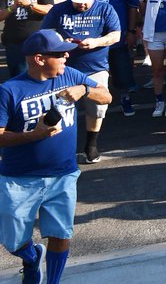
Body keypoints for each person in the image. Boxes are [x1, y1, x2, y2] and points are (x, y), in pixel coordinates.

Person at [0, 30, 112, 284]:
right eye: (59, 54)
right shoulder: (9, 90)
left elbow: (106, 96)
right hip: (19, 178)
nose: (66, 57)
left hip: (63, 174)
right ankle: (31, 259)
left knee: (61, 234)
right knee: (13, 240)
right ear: (39, 59)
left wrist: (84, 89)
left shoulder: (71, 76)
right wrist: (34, 135)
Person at [39, 0, 122, 165]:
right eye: (77, 1)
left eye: (85, 1)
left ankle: (91, 144)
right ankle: (56, 146)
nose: (81, 5)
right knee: (60, 107)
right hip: (63, 66)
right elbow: (45, 33)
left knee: (97, 107)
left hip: (95, 66)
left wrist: (96, 42)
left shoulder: (105, 9)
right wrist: (61, 41)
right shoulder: (59, 10)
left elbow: (116, 35)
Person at [0, 0, 56, 79]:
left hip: (37, 44)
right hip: (14, 45)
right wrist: (12, 7)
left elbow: (50, 10)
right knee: (17, 78)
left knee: (37, 77)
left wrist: (30, 4)